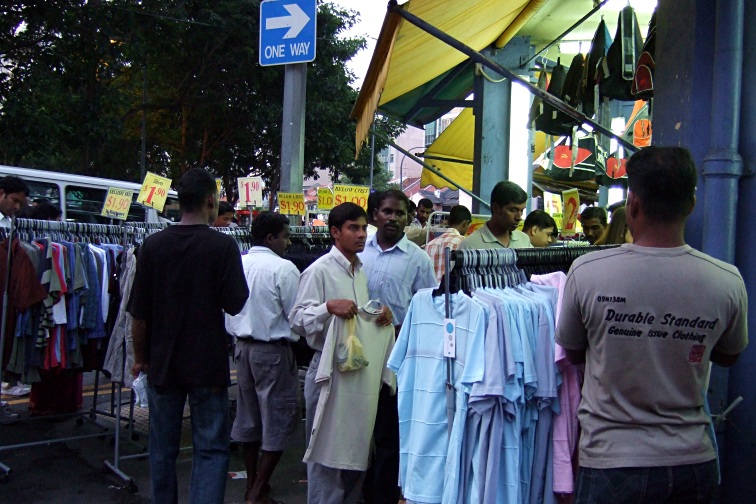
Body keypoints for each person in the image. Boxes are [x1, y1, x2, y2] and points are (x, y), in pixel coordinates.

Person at [556, 146, 748, 504]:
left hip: (611, 461)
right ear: (691, 204)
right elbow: (728, 356)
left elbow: (574, 351)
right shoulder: (727, 280)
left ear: (633, 204)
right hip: (692, 460)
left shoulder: (587, 272)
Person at [128, 168, 249, 504]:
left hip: (163, 364)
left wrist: (140, 358)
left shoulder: (152, 245)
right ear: (211, 200)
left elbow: (139, 313)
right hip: (207, 364)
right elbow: (236, 304)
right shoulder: (223, 246)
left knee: (162, 449)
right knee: (210, 450)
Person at [289, 202, 392, 504]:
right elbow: (296, 319)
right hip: (327, 370)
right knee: (327, 459)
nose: (361, 234)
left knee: (355, 453)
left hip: (358, 374)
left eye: (363, 228)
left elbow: (358, 316)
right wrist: (327, 307)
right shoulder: (318, 271)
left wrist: (379, 313)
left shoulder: (359, 271)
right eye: (353, 228)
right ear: (335, 232)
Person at [359, 189, 437, 503]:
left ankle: (383, 496)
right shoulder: (358, 250)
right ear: (375, 214)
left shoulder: (418, 259)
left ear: (408, 217)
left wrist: (402, 331)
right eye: (387, 211)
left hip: (395, 359)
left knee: (388, 434)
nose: (393, 218)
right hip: (357, 354)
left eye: (400, 213)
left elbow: (427, 309)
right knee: (358, 431)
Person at [225, 212, 300, 504]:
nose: (289, 242)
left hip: (242, 348)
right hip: (272, 350)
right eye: (285, 236)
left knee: (250, 417)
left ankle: (253, 484)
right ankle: (256, 492)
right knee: (277, 418)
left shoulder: (238, 263)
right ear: (271, 238)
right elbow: (297, 316)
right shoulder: (283, 268)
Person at [458, 180, 533, 250]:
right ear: (495, 208)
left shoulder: (524, 240)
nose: (519, 217)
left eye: (522, 210)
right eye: (513, 210)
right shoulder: (470, 245)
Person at [425, 204, 472, 283]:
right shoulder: (464, 243)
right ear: (465, 223)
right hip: (454, 290)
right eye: (468, 226)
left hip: (431, 290)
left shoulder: (429, 245)